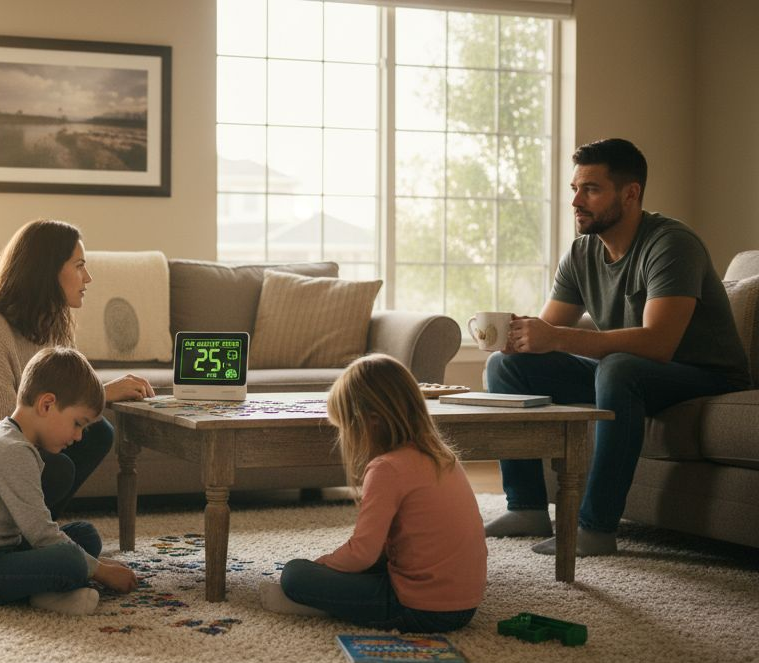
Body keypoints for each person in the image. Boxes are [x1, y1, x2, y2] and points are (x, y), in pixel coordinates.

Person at [483, 138, 750, 557]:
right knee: (506, 367)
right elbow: (551, 329)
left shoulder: (671, 244)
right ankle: (526, 507)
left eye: (591, 189)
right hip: (631, 374)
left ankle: (596, 527)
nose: (576, 201)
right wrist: (520, 338)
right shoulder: (582, 252)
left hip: (704, 376)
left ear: (630, 193)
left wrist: (557, 337)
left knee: (619, 367)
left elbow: (659, 343)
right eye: (575, 188)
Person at [0, 219, 154, 517]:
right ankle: (23, 535)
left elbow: (61, 402)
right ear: (47, 271)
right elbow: (3, 438)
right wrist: (102, 395)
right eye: (79, 266)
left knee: (98, 433)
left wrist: (98, 398)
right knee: (55, 469)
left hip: (0, 458)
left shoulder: (51, 323)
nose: (88, 277)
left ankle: (34, 530)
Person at [259, 354, 487, 633]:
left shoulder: (387, 468)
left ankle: (319, 605)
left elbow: (362, 554)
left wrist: (323, 567)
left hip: (420, 607)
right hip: (465, 605)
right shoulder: (442, 456)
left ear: (372, 421)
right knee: (367, 564)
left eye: (348, 427)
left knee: (295, 574)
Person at [0, 347, 139, 615]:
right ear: (46, 404)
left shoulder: (11, 437)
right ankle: (48, 595)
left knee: (85, 535)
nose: (78, 437)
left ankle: (49, 587)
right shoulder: (12, 451)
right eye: (77, 423)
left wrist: (93, 565)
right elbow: (41, 533)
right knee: (71, 560)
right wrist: (101, 571)